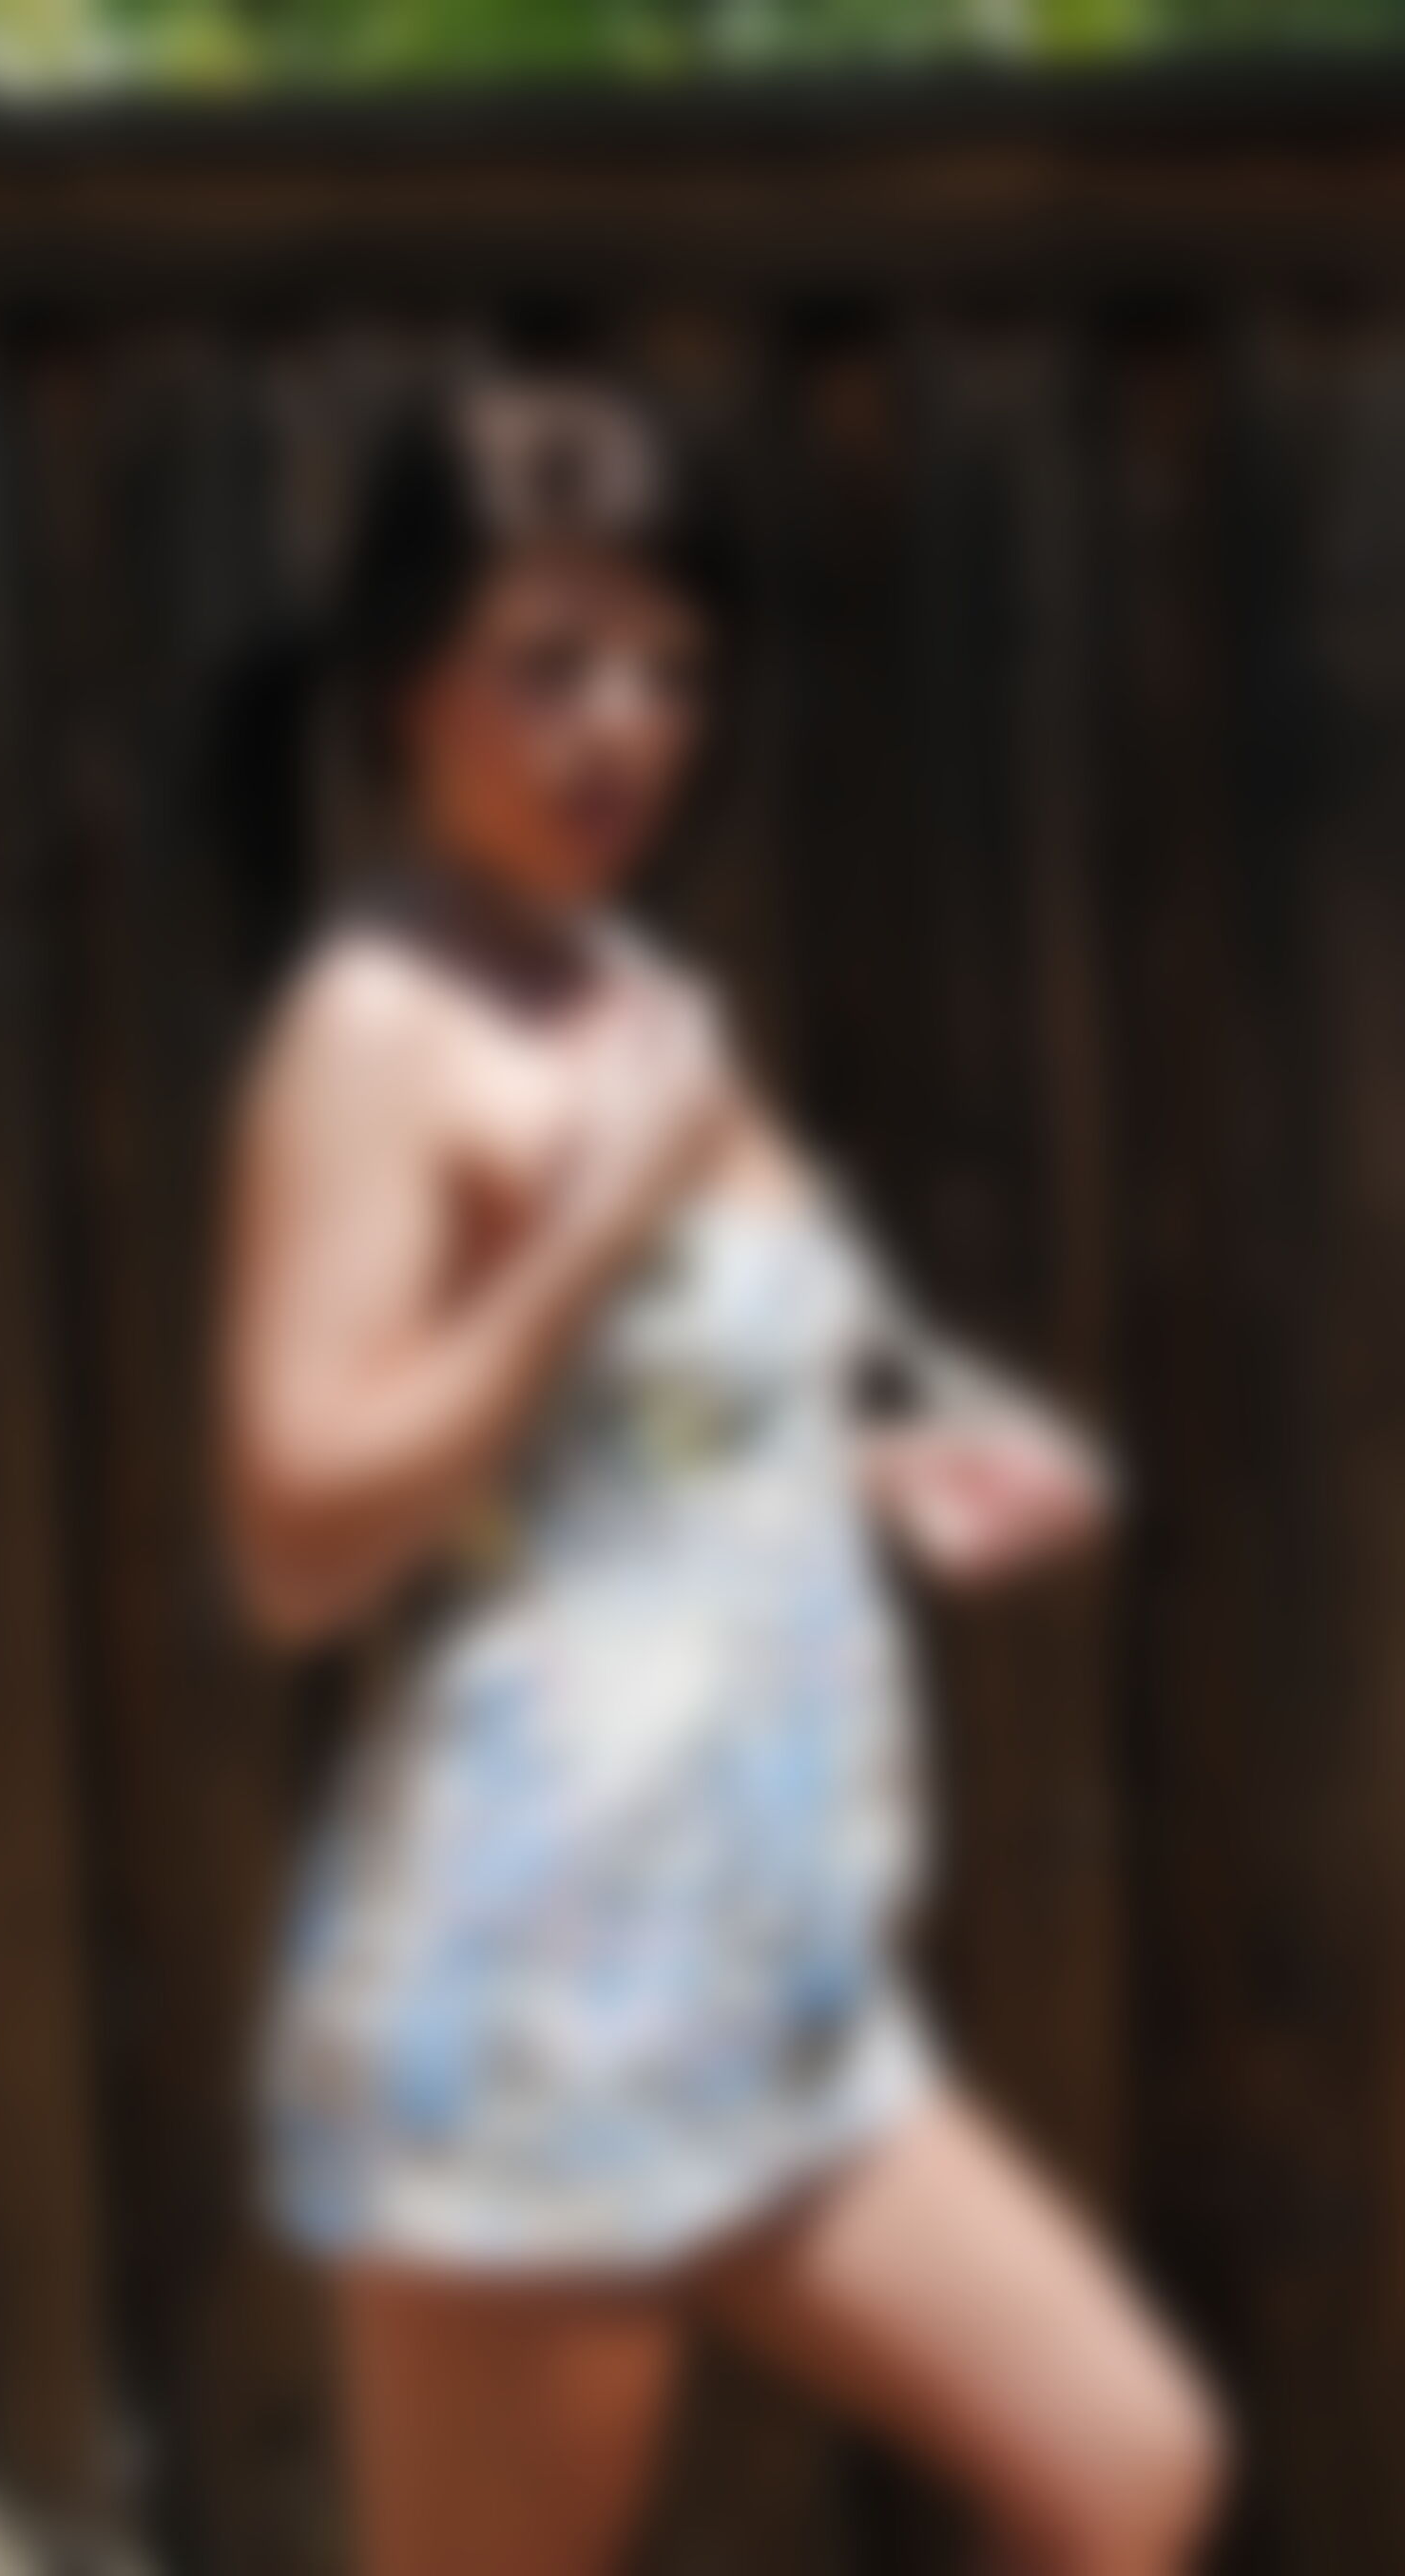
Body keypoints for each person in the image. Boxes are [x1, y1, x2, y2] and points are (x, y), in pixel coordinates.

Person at [214, 366, 1232, 2576]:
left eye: (670, 668)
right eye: (549, 660)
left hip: (770, 1981)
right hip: (540, 2013)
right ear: (403, 681)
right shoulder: (375, 1026)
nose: (624, 726)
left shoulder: (628, 990)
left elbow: (746, 1378)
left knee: (1122, 2469)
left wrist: (913, 1436)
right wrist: (583, 1227)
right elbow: (294, 1542)